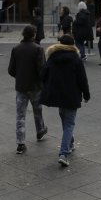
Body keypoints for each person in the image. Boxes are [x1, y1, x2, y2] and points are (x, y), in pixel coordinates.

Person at [39, 35, 90, 167]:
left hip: (57, 95)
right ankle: (63, 153)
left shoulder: (52, 57)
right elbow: (82, 79)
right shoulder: (76, 59)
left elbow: (42, 74)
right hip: (72, 95)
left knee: (64, 118)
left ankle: (70, 143)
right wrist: (86, 94)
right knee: (69, 124)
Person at [8, 24, 48, 154]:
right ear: (34, 35)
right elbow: (42, 70)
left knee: (20, 115)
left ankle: (20, 143)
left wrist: (20, 77)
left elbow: (11, 70)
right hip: (35, 87)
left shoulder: (16, 49)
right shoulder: (38, 49)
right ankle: (40, 130)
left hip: (21, 87)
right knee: (38, 110)